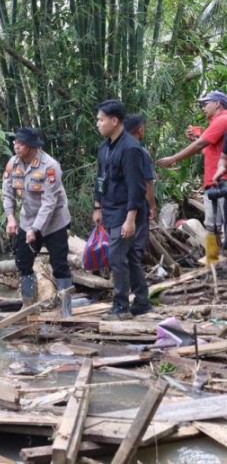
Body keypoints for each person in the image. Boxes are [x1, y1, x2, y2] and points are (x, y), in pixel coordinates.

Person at [2, 128, 73, 316]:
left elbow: (49, 202)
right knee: (23, 262)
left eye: (21, 143)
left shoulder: (50, 166)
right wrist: (10, 217)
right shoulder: (13, 164)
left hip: (54, 222)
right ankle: (29, 306)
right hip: (28, 218)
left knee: (59, 264)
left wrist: (36, 230)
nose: (15, 146)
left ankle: (66, 310)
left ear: (32, 146)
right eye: (15, 142)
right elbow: (7, 193)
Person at [94, 100, 151, 320]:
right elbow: (99, 179)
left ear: (114, 120)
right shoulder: (105, 147)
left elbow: (136, 187)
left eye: (101, 119)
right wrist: (97, 206)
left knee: (116, 257)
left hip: (126, 211)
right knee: (129, 256)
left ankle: (121, 306)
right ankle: (143, 301)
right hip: (110, 209)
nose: (98, 124)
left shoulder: (130, 149)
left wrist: (131, 219)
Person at [157, 91, 227, 263]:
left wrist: (173, 158)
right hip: (213, 182)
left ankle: (216, 259)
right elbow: (207, 150)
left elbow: (201, 144)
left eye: (206, 104)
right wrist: (197, 137)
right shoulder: (215, 123)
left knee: (222, 224)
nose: (203, 108)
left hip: (222, 181)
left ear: (217, 104)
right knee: (212, 225)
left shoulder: (223, 119)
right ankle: (213, 259)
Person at [125, 114, 157, 291]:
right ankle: (133, 286)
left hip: (118, 205)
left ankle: (121, 283)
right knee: (137, 245)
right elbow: (147, 183)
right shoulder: (139, 151)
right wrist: (152, 205)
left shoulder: (113, 148)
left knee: (121, 245)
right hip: (137, 205)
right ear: (140, 130)